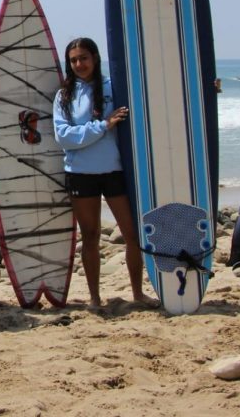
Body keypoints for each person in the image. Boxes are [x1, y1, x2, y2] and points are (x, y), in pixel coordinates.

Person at [52, 37, 159, 310]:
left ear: (95, 58)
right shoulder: (64, 95)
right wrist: (102, 127)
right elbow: (63, 137)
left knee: (132, 234)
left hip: (114, 170)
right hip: (80, 173)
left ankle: (137, 292)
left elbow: (152, 99)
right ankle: (95, 298)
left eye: (84, 58)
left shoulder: (114, 87)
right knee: (90, 236)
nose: (79, 64)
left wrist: (209, 88)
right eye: (74, 60)